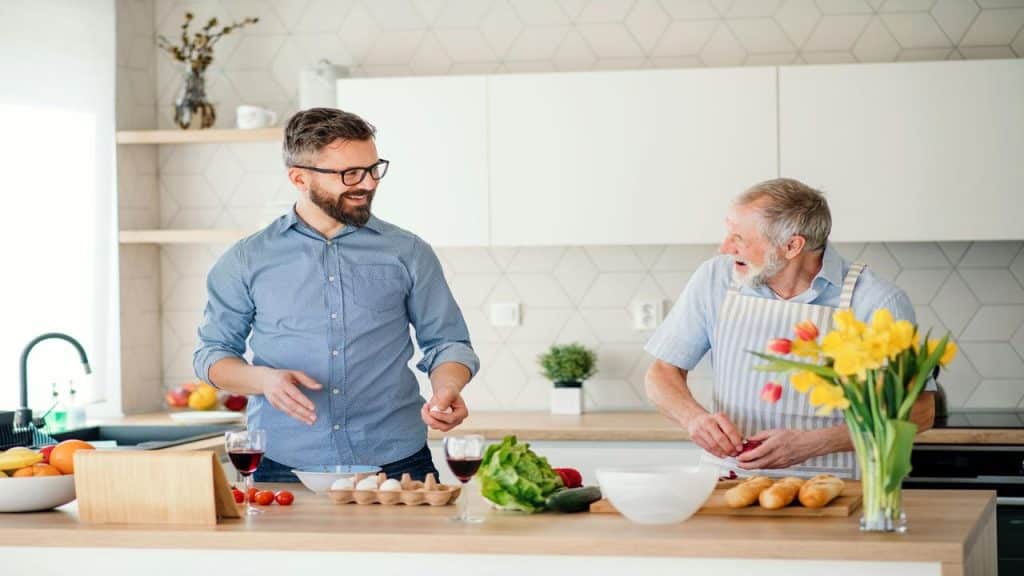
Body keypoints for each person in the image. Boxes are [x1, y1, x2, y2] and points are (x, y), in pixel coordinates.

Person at [194, 108, 479, 482]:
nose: (368, 183)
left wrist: (446, 388)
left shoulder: (408, 252)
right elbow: (212, 355)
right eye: (350, 174)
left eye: (373, 168)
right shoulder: (247, 259)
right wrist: (263, 381)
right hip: (282, 466)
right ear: (299, 177)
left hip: (397, 464)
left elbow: (447, 342)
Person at [644, 178, 935, 478]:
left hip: (836, 490)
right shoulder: (714, 279)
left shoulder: (876, 301)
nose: (725, 248)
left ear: (792, 245)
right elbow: (662, 373)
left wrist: (814, 443)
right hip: (729, 482)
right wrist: (694, 419)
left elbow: (921, 411)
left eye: (739, 238)